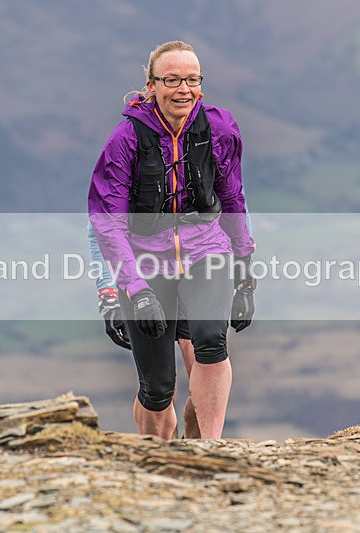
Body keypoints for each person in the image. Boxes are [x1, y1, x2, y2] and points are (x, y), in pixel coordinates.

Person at [88, 41, 255, 440]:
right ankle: (157, 459)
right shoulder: (125, 139)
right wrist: (128, 289)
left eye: (192, 79)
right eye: (172, 79)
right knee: (158, 387)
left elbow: (233, 197)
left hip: (206, 251)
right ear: (151, 85)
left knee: (211, 342)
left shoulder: (219, 127)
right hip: (146, 262)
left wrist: (245, 270)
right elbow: (107, 222)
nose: (184, 88)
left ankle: (209, 450)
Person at [87, 221, 202, 438]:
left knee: (205, 367)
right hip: (144, 279)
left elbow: (236, 206)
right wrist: (109, 298)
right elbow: (101, 231)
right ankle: (162, 452)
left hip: (196, 269)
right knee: (159, 383)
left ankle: (198, 449)